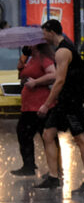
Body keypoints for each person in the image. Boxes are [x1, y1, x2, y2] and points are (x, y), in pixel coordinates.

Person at [36, 19, 84, 192]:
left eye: (44, 33)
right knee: (48, 134)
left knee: (80, 138)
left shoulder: (63, 51)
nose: (43, 36)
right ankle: (53, 177)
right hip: (64, 101)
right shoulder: (63, 47)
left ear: (51, 31)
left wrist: (46, 104)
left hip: (72, 102)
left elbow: (60, 80)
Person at [11, 43, 58, 176]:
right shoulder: (31, 58)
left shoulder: (44, 58)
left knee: (47, 137)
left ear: (36, 45)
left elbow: (53, 75)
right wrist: (23, 58)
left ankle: (55, 169)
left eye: (29, 44)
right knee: (24, 134)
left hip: (40, 104)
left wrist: (36, 82)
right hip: (29, 106)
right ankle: (29, 165)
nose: (26, 46)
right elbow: (21, 75)